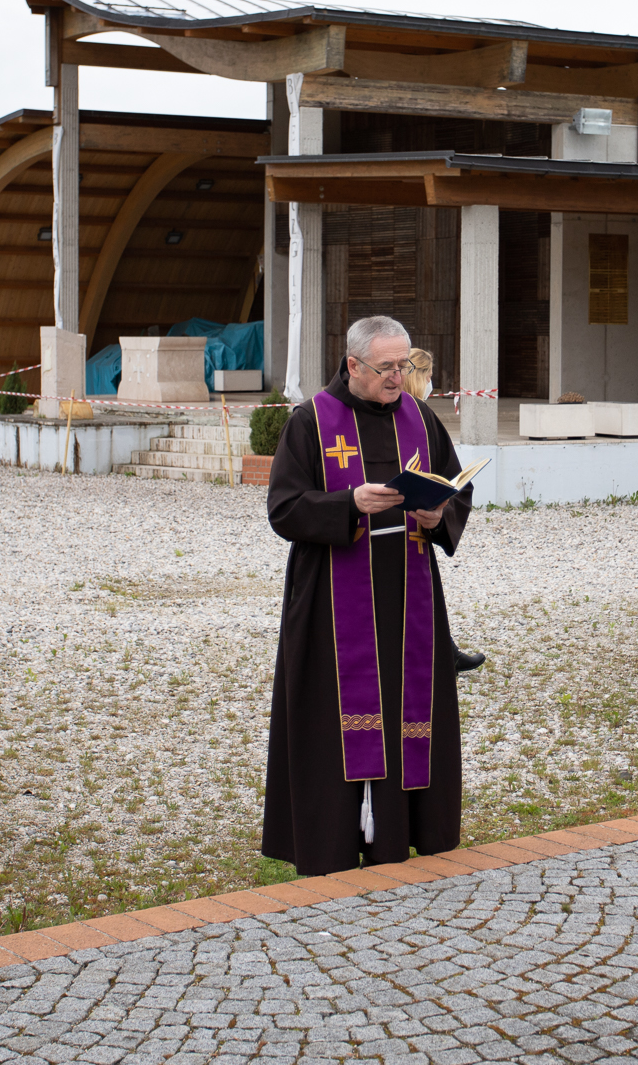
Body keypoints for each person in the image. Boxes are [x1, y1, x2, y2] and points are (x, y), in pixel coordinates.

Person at [262, 315, 473, 875]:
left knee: (408, 712)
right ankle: (331, 845)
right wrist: (348, 504)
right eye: (387, 368)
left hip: (409, 596)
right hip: (333, 601)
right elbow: (283, 509)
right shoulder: (311, 421)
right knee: (335, 726)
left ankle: (402, 838)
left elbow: (457, 486)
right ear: (353, 365)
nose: (399, 378)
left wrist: (438, 512)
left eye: (406, 365)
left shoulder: (420, 419)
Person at [400, 347, 486, 674]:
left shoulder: (424, 418)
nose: (431, 383)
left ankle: (443, 651)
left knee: (422, 592)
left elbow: (446, 470)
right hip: (384, 524)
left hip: (417, 527)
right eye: (428, 376)